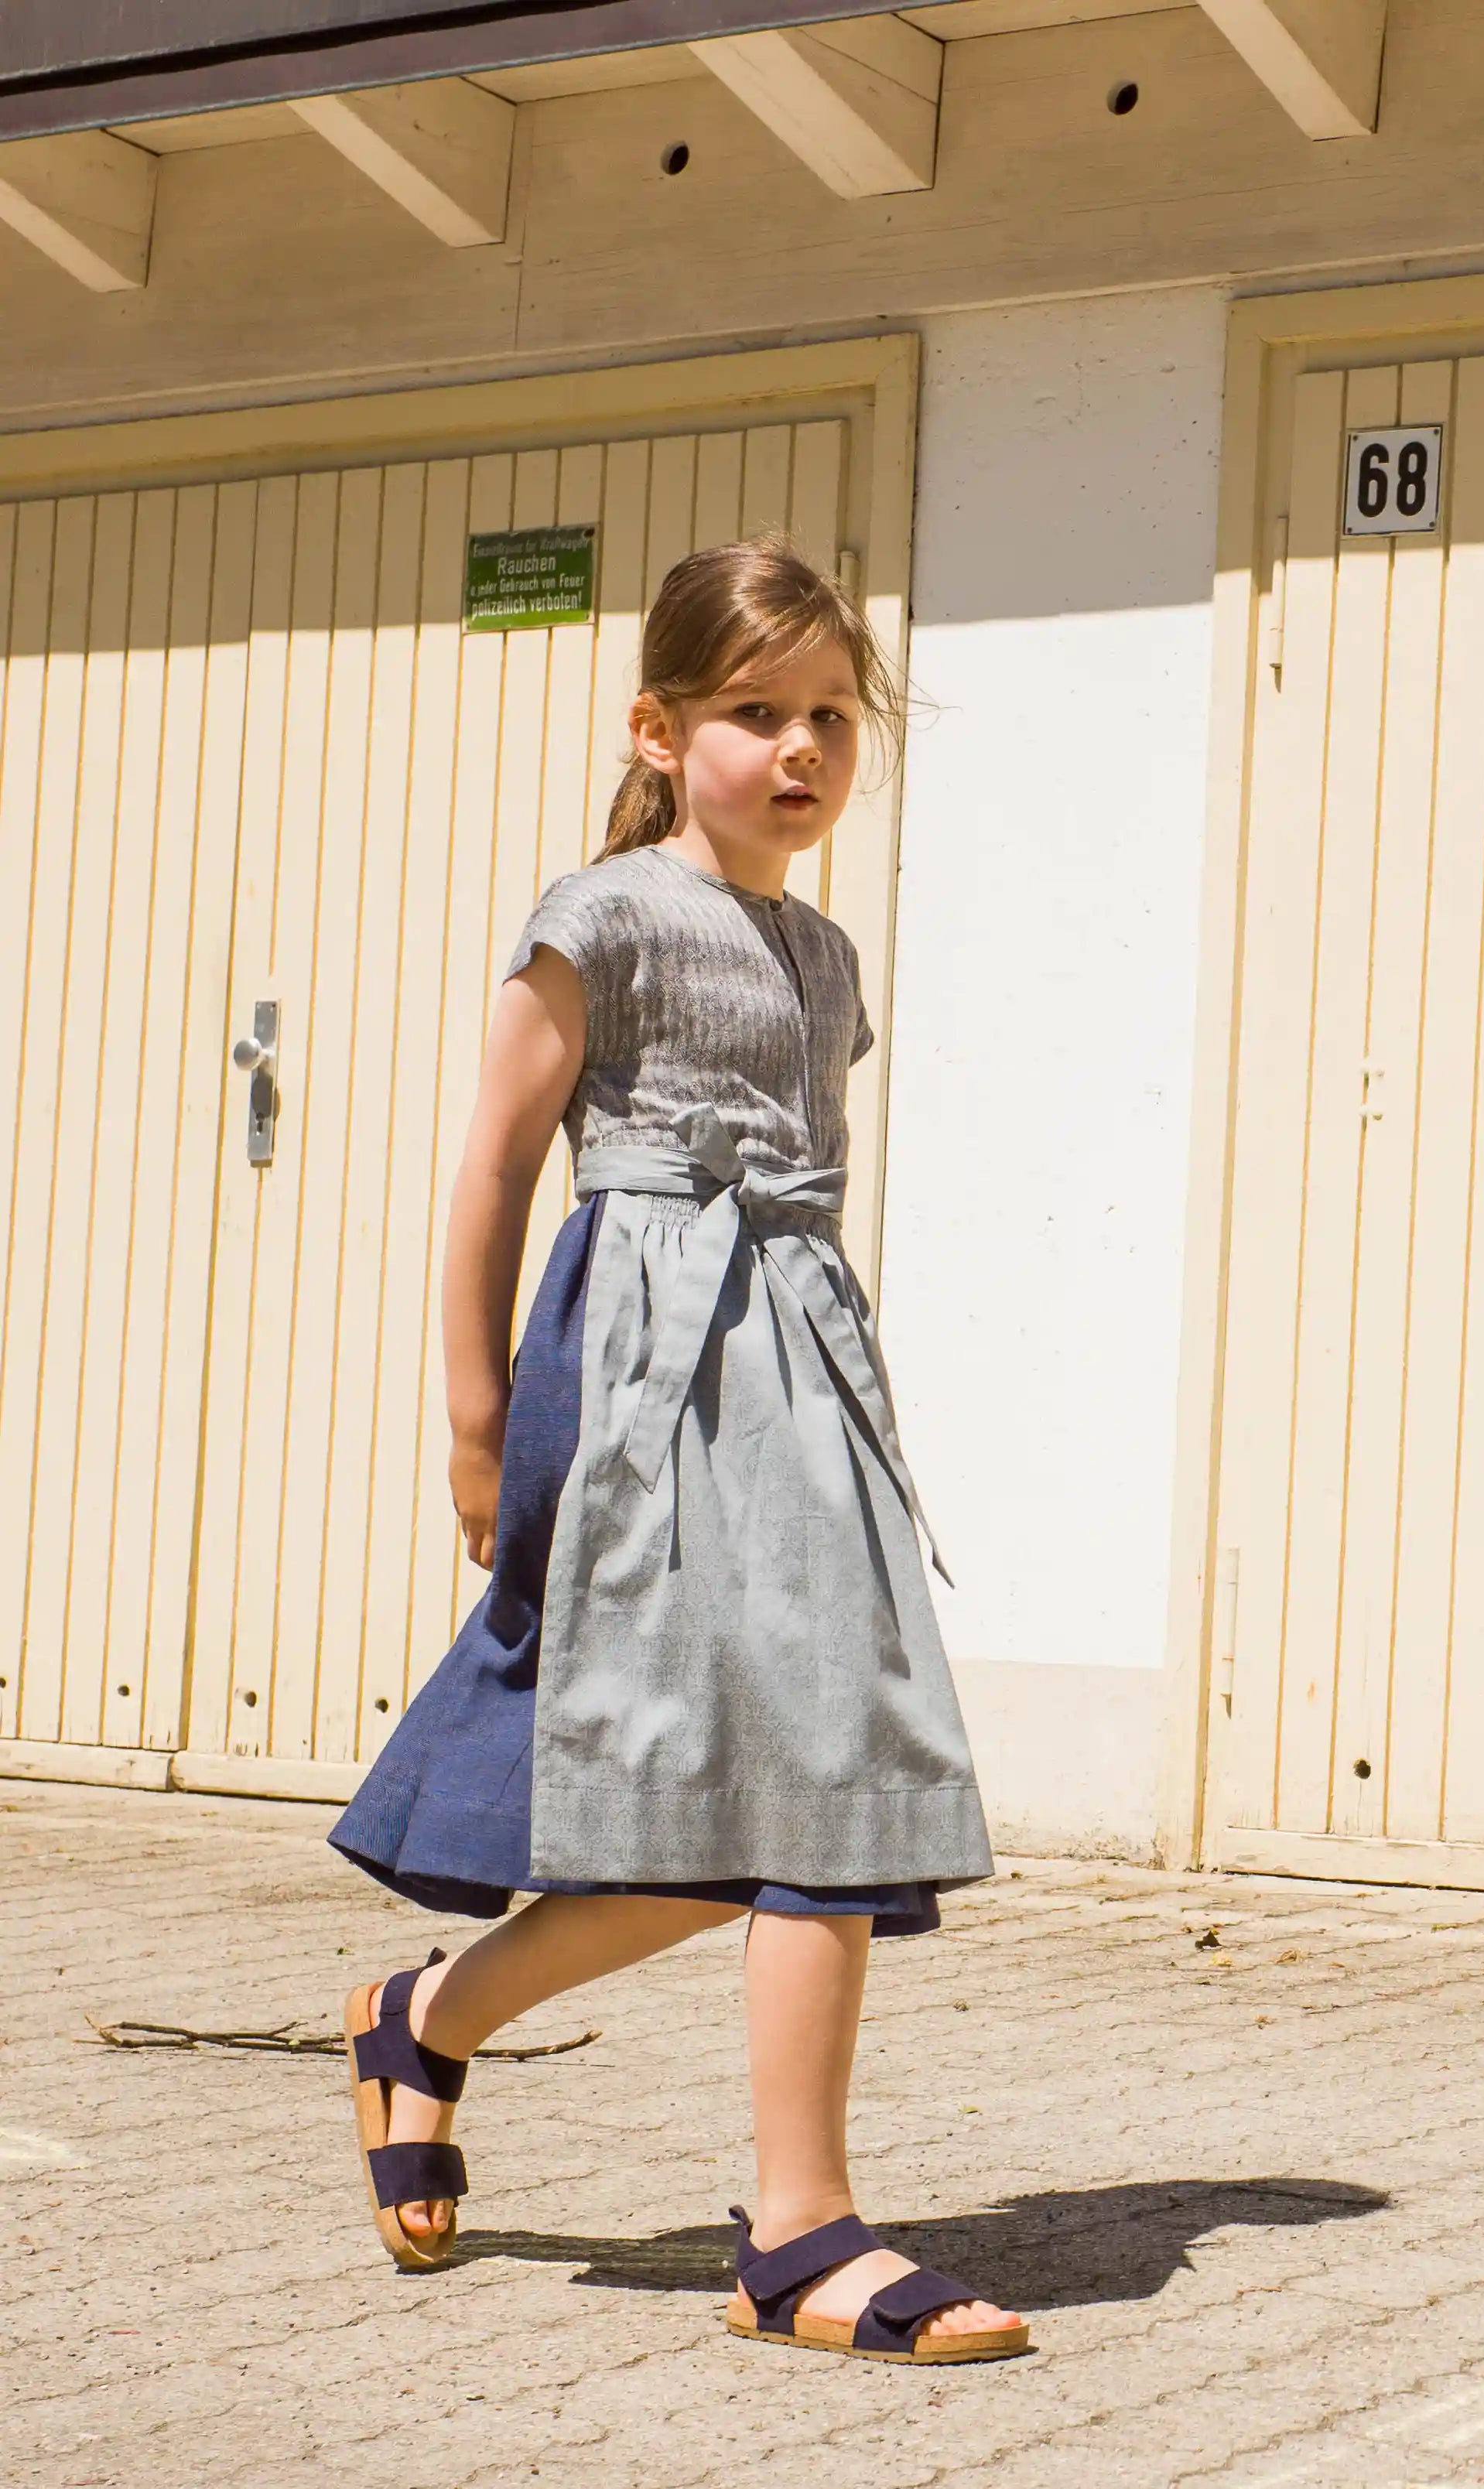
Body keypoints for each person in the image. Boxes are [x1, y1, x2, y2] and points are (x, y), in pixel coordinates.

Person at [326, 534, 1027, 2365]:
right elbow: (494, 1165)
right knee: (755, 1793)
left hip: (798, 1361)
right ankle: (797, 2234)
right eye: (755, 712)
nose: (801, 748)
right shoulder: (604, 914)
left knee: (805, 1785)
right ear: (660, 728)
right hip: (637, 1361)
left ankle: (427, 2019)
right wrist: (475, 1418)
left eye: (832, 717)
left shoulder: (829, 955)